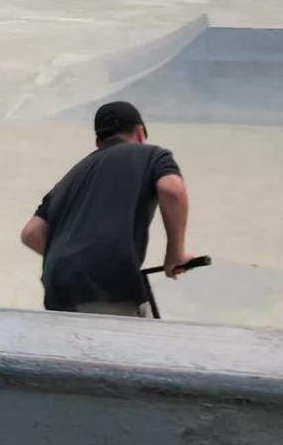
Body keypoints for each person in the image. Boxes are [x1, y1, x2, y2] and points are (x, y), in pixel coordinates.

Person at [19, 102, 194, 316]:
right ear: (140, 133)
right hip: (108, 286)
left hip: (59, 289)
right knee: (132, 344)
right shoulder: (152, 155)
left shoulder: (71, 177)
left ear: (98, 142)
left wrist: (76, 259)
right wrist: (175, 254)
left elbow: (31, 233)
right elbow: (172, 190)